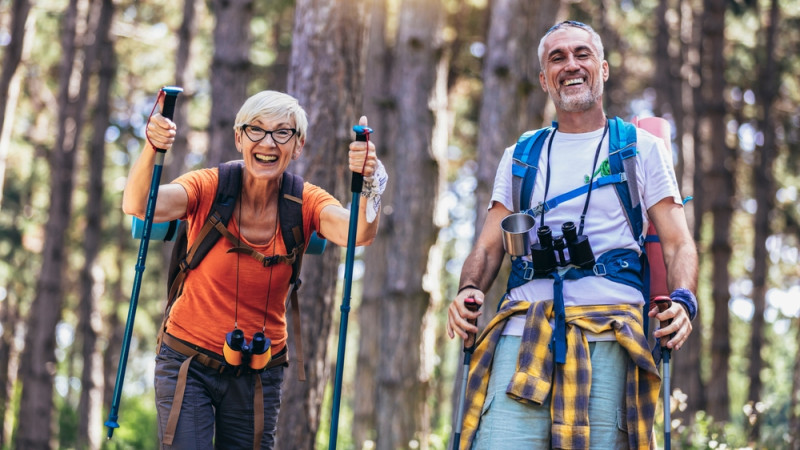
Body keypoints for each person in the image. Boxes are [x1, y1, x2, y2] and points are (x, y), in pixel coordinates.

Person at [446, 21, 698, 449]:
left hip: (611, 331)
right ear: (544, 79)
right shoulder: (520, 155)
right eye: (557, 58)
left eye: (582, 54)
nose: (571, 64)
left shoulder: (639, 148)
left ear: (602, 68)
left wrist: (684, 301)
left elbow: (677, 242)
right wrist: (468, 290)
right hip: (522, 332)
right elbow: (489, 248)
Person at [122, 90, 387, 449]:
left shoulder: (304, 201)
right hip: (188, 361)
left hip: (259, 371)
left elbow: (357, 233)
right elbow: (139, 205)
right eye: (256, 130)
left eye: (283, 133)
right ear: (238, 137)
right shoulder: (209, 186)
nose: (268, 142)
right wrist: (152, 147)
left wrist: (371, 181)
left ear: (299, 146)